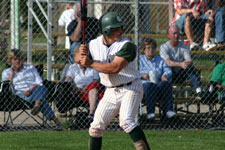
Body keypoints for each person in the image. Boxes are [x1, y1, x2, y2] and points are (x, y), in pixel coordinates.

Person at [75, 12, 150, 150]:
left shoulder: (127, 46)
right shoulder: (93, 44)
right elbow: (77, 58)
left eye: (120, 27)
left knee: (126, 121)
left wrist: (90, 63)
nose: (120, 30)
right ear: (106, 30)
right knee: (96, 127)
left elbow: (114, 68)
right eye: (115, 28)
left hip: (131, 88)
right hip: (110, 90)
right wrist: (80, 54)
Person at [1, 50, 62, 127]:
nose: (18, 61)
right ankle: (56, 122)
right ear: (10, 61)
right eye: (15, 59)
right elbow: (6, 86)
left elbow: (39, 81)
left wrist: (30, 89)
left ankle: (37, 104)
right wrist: (12, 73)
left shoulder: (30, 68)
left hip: (36, 89)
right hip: (21, 95)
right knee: (42, 100)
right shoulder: (6, 72)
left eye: (20, 58)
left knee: (41, 87)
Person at [160, 25, 202, 98]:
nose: (176, 36)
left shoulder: (184, 46)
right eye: (174, 33)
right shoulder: (164, 47)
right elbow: (167, 62)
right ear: (168, 35)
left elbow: (188, 59)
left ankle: (199, 92)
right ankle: (167, 95)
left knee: (191, 68)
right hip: (170, 74)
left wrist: (187, 63)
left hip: (181, 73)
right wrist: (180, 64)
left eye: (178, 33)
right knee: (167, 69)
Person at [139, 38, 176, 120]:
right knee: (150, 85)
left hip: (158, 83)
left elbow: (168, 70)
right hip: (144, 85)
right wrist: (142, 75)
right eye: (148, 48)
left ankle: (169, 111)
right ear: (144, 49)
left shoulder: (160, 60)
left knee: (166, 84)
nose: (151, 50)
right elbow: (133, 72)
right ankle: (150, 113)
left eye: (152, 48)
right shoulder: (139, 60)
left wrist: (165, 75)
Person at [65, 47, 103, 119]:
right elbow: (67, 81)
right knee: (94, 88)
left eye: (85, 55)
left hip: (91, 90)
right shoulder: (73, 67)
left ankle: (91, 113)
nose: (83, 57)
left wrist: (86, 87)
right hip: (77, 92)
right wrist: (78, 89)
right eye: (81, 55)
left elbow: (96, 80)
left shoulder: (92, 66)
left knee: (94, 87)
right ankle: (95, 114)